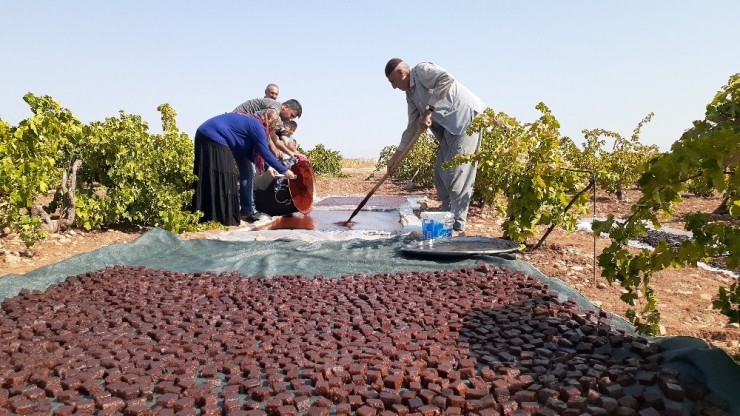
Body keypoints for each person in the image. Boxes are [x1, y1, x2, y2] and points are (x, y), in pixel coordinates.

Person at [384, 58, 485, 233]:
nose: (393, 87)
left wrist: (429, 111)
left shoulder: (422, 71)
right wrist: (396, 156)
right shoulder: (410, 95)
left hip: (465, 120)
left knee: (457, 174)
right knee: (440, 174)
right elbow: (412, 127)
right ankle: (447, 217)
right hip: (448, 130)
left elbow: (446, 78)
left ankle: (457, 226)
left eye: (393, 82)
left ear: (401, 73)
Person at [191, 109, 296, 226]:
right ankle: (221, 217)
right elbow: (265, 153)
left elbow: (249, 153)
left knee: (209, 175)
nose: (271, 131)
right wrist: (284, 170)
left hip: (203, 133)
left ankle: (205, 214)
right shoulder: (258, 127)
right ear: (270, 122)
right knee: (224, 177)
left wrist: (268, 167)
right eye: (273, 128)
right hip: (214, 137)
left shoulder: (252, 122)